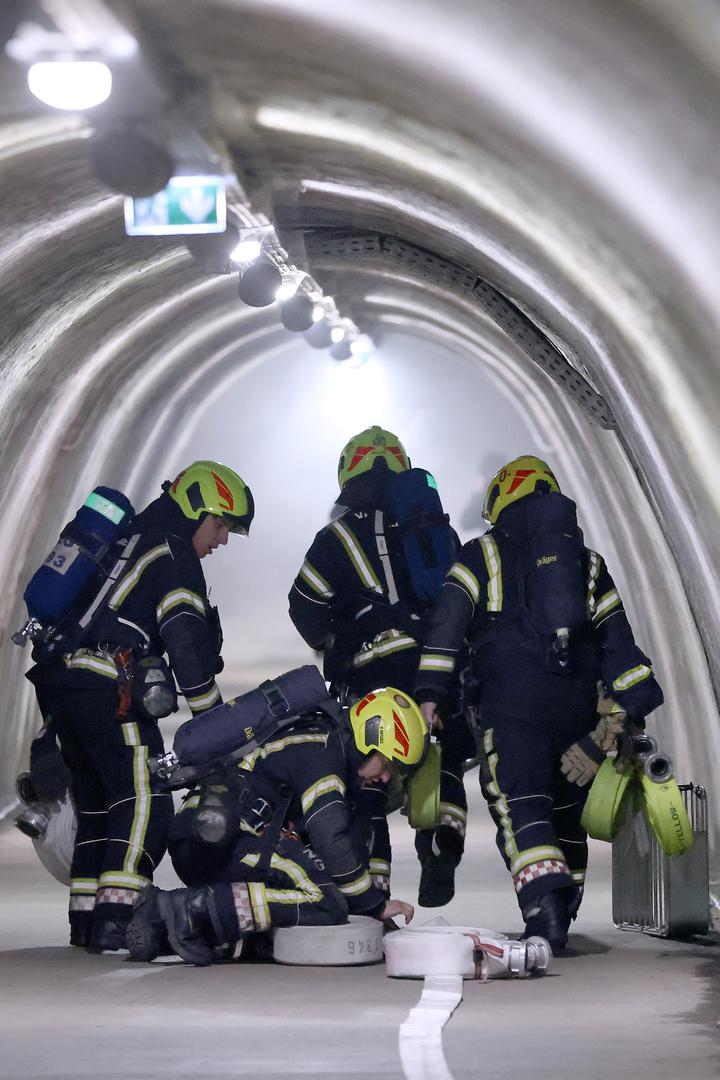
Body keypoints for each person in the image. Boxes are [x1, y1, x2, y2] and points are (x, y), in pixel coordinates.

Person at [415, 455, 664, 952]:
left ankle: (544, 909)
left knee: (521, 803)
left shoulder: (480, 554)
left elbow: (445, 630)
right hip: (577, 707)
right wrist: (615, 721)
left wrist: (430, 696)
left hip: (510, 705)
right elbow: (621, 647)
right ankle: (566, 908)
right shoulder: (588, 563)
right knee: (568, 805)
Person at [26, 460, 254, 952]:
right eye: (220, 525)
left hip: (61, 684)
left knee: (98, 806)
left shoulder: (128, 538)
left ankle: (86, 920)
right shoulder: (172, 554)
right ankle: (117, 919)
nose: (222, 541)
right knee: (145, 800)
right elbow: (187, 650)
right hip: (110, 686)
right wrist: (219, 727)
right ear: (196, 510)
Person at [288, 425, 474, 907]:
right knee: (442, 756)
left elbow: (304, 606)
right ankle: (442, 843)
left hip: (372, 675)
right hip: (434, 665)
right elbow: (460, 600)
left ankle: (376, 894)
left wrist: (337, 636)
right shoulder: (433, 530)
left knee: (368, 779)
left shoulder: (335, 538)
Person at [126, 687, 422, 965]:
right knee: (324, 899)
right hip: (228, 837)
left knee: (283, 915)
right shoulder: (323, 753)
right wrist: (374, 905)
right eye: (388, 763)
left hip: (210, 832)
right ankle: (185, 907)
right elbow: (329, 835)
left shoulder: (318, 738)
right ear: (370, 738)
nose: (385, 777)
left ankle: (162, 930)